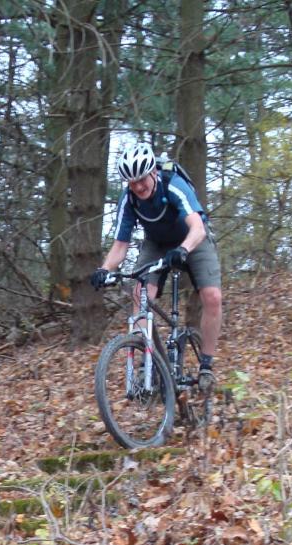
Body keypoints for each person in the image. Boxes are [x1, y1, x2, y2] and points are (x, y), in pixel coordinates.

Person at [90, 141, 222, 390]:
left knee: (212, 296)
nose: (138, 186)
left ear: (153, 172)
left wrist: (183, 249)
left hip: (193, 239)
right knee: (141, 295)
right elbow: (120, 245)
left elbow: (197, 226)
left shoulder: (173, 184)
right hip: (157, 243)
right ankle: (145, 364)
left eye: (142, 179)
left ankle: (206, 365)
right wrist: (104, 269)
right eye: (132, 182)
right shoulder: (129, 199)